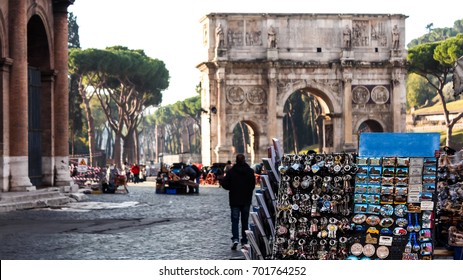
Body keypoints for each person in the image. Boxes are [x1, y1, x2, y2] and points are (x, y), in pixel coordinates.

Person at [219, 154, 256, 250]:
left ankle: (235, 238)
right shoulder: (250, 171)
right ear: (244, 160)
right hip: (246, 200)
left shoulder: (231, 172)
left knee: (235, 221)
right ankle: (244, 241)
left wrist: (229, 186)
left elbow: (226, 184)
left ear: (236, 160)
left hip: (235, 200)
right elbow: (252, 185)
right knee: (245, 221)